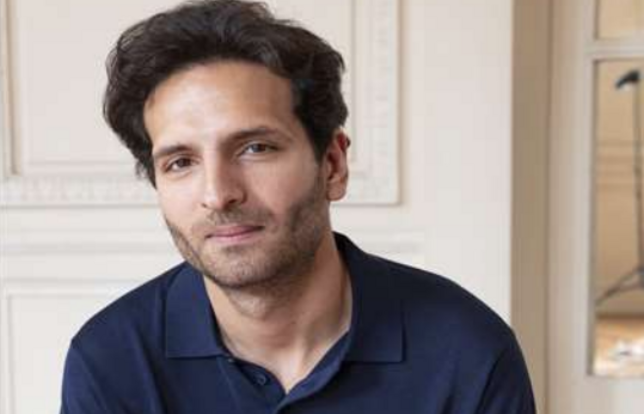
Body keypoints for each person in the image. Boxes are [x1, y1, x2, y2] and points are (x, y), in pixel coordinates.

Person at [60, 1, 536, 413]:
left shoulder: (466, 350)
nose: (218, 194)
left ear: (332, 164)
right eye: (181, 162)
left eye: (255, 148)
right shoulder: (111, 360)